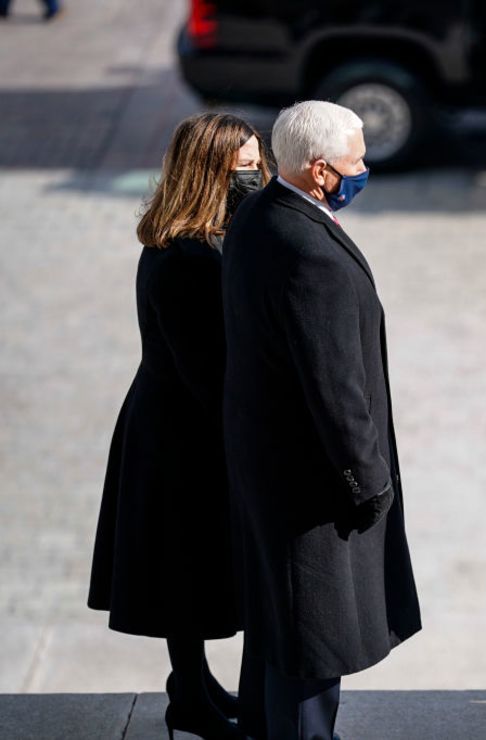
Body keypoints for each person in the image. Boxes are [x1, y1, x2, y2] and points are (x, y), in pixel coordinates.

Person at [221, 100, 421, 740]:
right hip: (312, 489)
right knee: (313, 650)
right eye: (354, 160)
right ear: (318, 172)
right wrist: (369, 483)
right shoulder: (315, 257)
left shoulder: (258, 215)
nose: (364, 168)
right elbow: (336, 389)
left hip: (266, 468)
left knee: (281, 637)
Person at [88, 112, 269, 740]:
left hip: (181, 422)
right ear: (211, 169)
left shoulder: (197, 239)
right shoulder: (186, 255)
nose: (255, 172)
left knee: (190, 563)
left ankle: (194, 686)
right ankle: (189, 694)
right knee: (184, 568)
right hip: (181, 434)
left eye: (256, 159)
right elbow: (205, 363)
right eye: (243, 163)